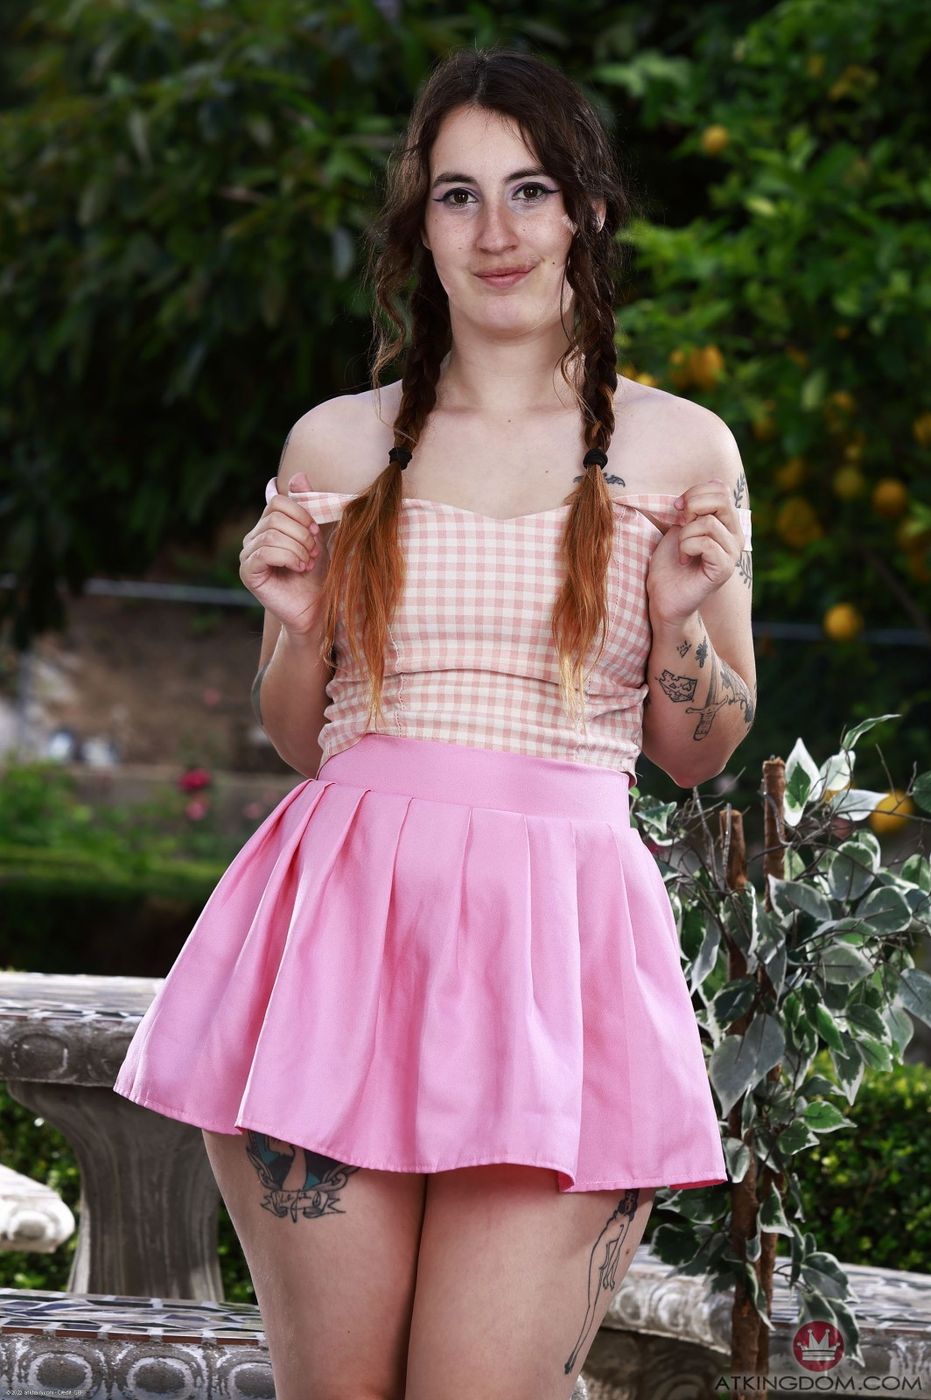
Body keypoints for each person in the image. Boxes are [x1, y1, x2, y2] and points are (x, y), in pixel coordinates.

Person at [113, 45, 756, 1400]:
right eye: (459, 195)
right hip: (339, 943)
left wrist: (681, 619)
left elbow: (699, 749)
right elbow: (304, 738)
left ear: (587, 210)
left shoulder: (681, 448)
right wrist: (299, 624)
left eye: (530, 190)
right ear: (422, 226)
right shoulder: (338, 446)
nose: (497, 230)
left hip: (561, 960)